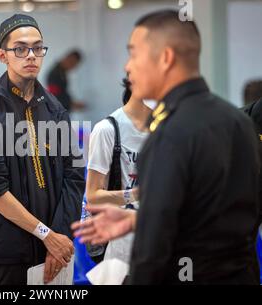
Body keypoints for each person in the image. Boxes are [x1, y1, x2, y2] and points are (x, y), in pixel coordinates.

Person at [73, 10, 261, 284]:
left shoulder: (168, 134)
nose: (128, 66)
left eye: (134, 54)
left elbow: (154, 250)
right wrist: (138, 220)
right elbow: (214, 216)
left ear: (165, 58)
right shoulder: (239, 122)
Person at [0, 14, 85, 285]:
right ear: (2, 55)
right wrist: (46, 234)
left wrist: (59, 238)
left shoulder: (55, 109)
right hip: (5, 253)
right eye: (20, 48)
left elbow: (74, 177)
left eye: (38, 48)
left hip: (55, 251)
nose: (31, 55)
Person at [85, 77, 150, 269]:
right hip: (119, 248)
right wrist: (137, 194)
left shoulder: (166, 131)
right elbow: (93, 196)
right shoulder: (107, 130)